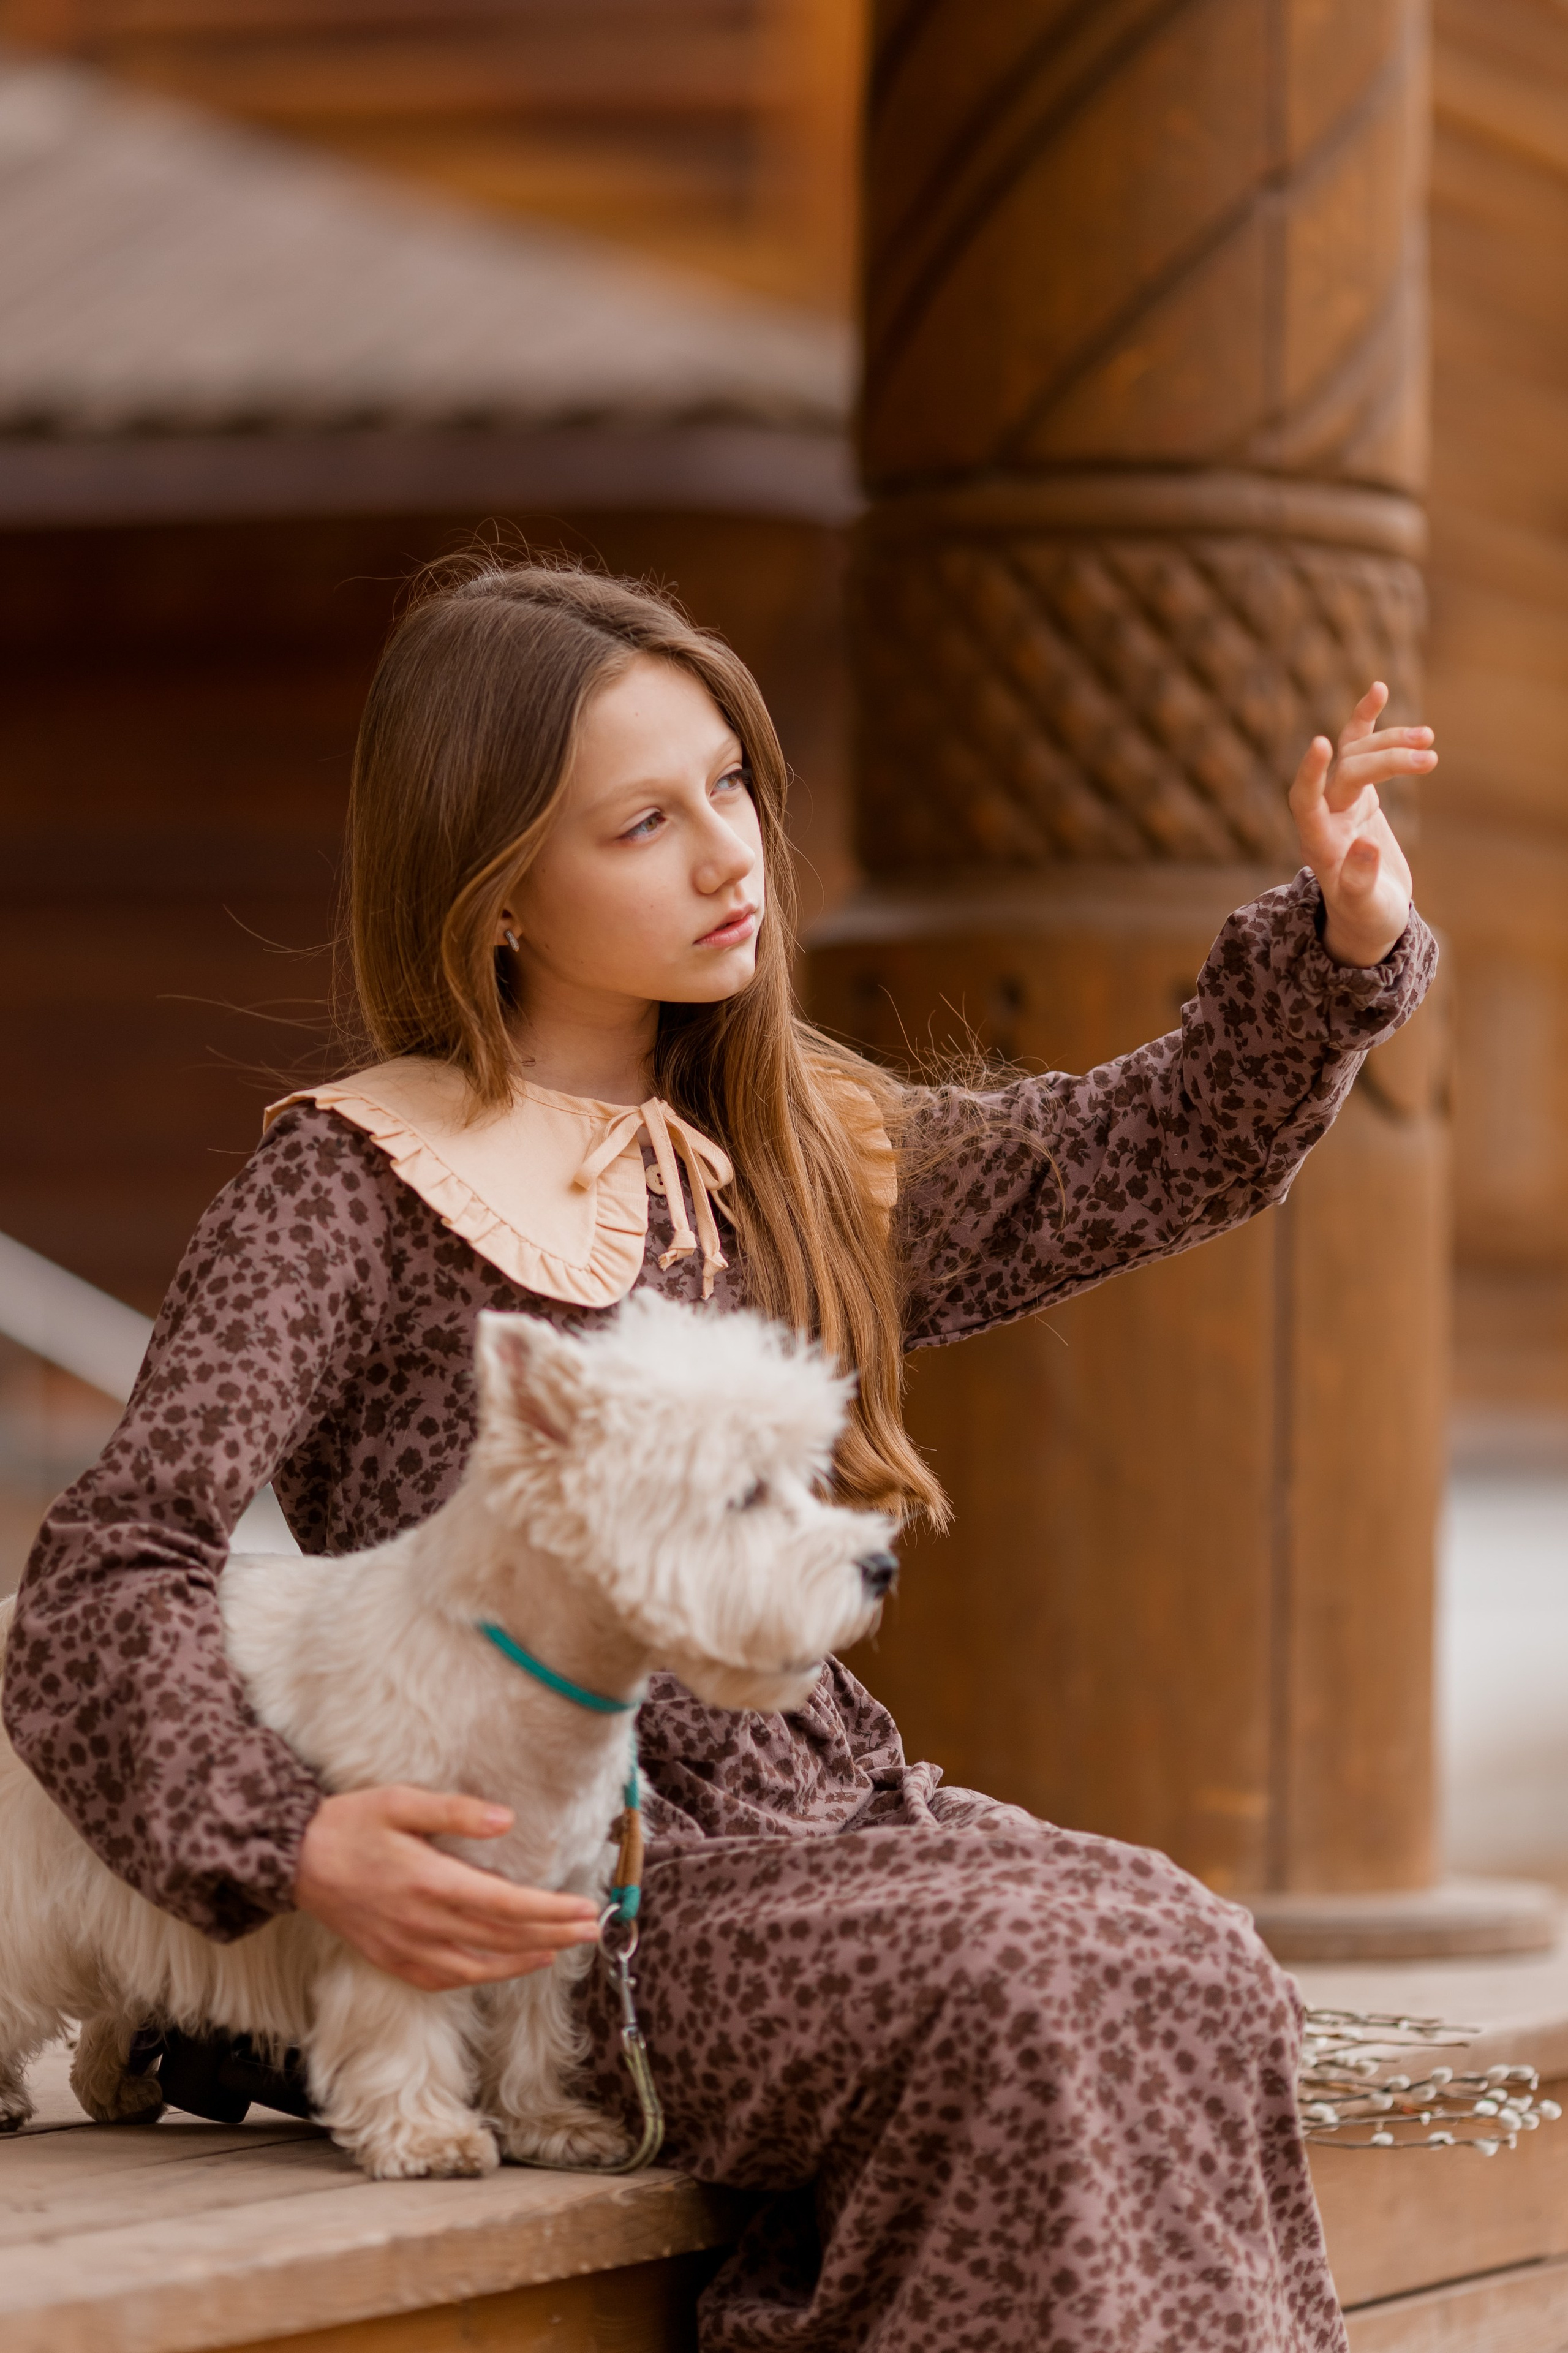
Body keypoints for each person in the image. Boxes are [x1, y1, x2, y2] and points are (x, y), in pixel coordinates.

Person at [4, 559, 1437, 2352]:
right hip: (572, 1920)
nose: (725, 852)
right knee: (1029, 1976)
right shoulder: (347, 1189)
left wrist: (1340, 950)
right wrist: (292, 1841)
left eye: (734, 786)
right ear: (499, 879)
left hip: (843, 1824)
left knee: (1191, 1946)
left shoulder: (784, 1145)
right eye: (643, 820)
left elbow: (1123, 1156)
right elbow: (102, 1578)